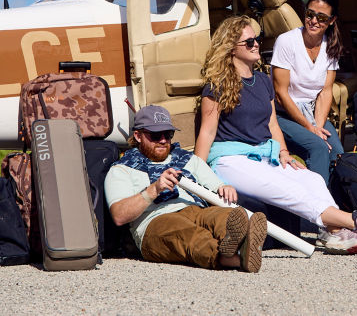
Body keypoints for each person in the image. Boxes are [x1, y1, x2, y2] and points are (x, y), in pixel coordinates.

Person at [194, 15, 357, 254]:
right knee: (286, 188)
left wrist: (284, 153)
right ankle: (354, 221)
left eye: (257, 39)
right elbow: (207, 132)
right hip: (230, 160)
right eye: (249, 42)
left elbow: (273, 125)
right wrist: (199, 175)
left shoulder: (262, 80)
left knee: (310, 179)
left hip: (265, 155)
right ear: (231, 48)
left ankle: (332, 234)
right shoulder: (217, 86)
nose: (256, 45)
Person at [105, 104, 267, 272]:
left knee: (225, 216)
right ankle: (234, 257)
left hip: (195, 210)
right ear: (138, 136)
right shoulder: (121, 169)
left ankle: (238, 248)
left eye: (167, 134)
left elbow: (217, 185)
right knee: (185, 233)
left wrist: (225, 188)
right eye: (155, 135)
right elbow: (119, 215)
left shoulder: (188, 159)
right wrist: (153, 190)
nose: (162, 140)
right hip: (155, 221)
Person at [271, 0, 344, 183]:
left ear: (332, 20)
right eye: (310, 14)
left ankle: (338, 203)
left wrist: (317, 127)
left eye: (321, 17)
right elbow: (280, 93)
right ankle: (318, 207)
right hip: (284, 114)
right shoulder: (286, 41)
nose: (313, 21)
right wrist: (309, 128)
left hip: (314, 114)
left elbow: (326, 91)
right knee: (318, 147)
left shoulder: (331, 46)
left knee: (337, 153)